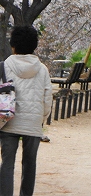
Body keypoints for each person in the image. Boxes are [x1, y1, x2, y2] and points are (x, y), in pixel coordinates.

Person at [0, 26, 53, 196]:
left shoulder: (4, 66)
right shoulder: (42, 69)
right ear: (34, 45)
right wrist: (41, 119)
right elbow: (47, 98)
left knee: (7, 164)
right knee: (30, 164)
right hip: (33, 124)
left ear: (13, 45)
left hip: (8, 121)